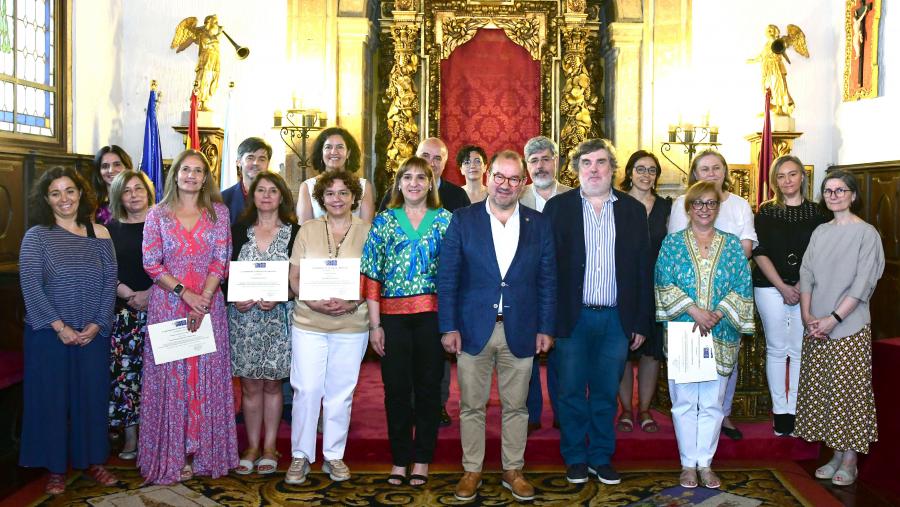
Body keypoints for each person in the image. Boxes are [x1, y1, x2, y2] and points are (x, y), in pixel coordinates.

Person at [439, 150, 556, 502]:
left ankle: (512, 469)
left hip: (521, 328)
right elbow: (448, 277)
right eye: (500, 177)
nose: (505, 185)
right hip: (472, 328)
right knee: (471, 406)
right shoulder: (463, 219)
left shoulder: (539, 223)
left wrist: (546, 328)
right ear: (488, 177)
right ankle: (472, 470)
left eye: (513, 178)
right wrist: (448, 326)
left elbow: (547, 280)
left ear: (523, 183)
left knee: (517, 406)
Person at [543, 139, 652, 486]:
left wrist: (640, 321)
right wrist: (547, 321)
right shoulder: (558, 208)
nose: (594, 169)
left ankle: (601, 457)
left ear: (612, 169)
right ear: (576, 170)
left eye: (601, 162)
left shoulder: (633, 211)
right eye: (586, 163)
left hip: (616, 319)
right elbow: (546, 269)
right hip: (571, 319)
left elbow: (643, 270)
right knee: (571, 392)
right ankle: (575, 457)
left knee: (606, 393)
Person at [139, 149, 238, 484]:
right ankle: (173, 454)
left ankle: (206, 454)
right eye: (185, 170)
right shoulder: (157, 214)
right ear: (175, 174)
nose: (191, 176)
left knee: (206, 375)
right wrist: (186, 294)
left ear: (206, 177)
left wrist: (204, 299)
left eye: (198, 171)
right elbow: (151, 263)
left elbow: (221, 260)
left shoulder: (219, 213)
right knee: (172, 379)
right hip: (169, 305)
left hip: (209, 305)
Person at [19, 166, 118, 495]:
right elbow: (31, 287)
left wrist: (97, 323)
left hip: (93, 334)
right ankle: (56, 468)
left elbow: (109, 283)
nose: (64, 198)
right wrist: (60, 327)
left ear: (80, 193)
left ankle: (94, 460)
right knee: (52, 401)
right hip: (49, 335)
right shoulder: (36, 236)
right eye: (55, 193)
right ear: (46, 199)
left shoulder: (99, 234)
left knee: (92, 398)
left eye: (70, 191)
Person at [655, 180, 755, 490]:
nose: (704, 209)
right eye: (698, 203)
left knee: (713, 403)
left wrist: (719, 313)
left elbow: (743, 285)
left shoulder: (731, 244)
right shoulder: (672, 244)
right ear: (688, 208)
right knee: (684, 401)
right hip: (684, 331)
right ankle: (688, 464)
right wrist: (695, 311)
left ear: (718, 207)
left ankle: (706, 463)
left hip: (721, 333)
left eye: (711, 203)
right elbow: (663, 281)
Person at [363, 157, 453, 487]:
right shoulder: (384, 221)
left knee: (429, 389)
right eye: (407, 177)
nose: (414, 183)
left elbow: (453, 274)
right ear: (398, 183)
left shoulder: (445, 220)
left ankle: (423, 459)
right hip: (392, 320)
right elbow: (371, 276)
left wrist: (451, 324)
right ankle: (400, 459)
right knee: (396, 390)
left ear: (430, 184)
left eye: (421, 177)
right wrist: (375, 326)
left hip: (432, 318)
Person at [795, 170, 884, 487]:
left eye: (840, 190)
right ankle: (835, 455)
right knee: (826, 393)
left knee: (848, 395)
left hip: (849, 326)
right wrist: (807, 315)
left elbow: (862, 284)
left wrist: (833, 319)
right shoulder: (820, 231)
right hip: (816, 325)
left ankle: (850, 461)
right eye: (828, 191)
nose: (834, 196)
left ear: (853, 195)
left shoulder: (867, 234)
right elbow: (806, 274)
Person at [285, 171, 370, 485]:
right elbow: (294, 277)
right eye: (331, 193)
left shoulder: (368, 231)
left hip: (352, 324)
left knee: (340, 393)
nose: (337, 199)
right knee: (306, 389)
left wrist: (352, 301)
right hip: (309, 322)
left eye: (344, 193)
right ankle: (300, 455)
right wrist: (312, 300)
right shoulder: (307, 230)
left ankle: (334, 455)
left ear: (354, 197)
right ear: (321, 198)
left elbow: (373, 279)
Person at [379, 137, 470, 428]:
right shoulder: (389, 206)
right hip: (395, 310)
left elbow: (461, 257)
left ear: (444, 164)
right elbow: (377, 261)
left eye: (436, 158)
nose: (430, 163)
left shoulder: (455, 201)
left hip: (436, 305)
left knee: (433, 371)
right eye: (425, 156)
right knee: (399, 376)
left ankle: (436, 409)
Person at [668, 149, 757, 440]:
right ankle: (691, 427)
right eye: (704, 168)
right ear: (695, 173)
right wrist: (696, 306)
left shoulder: (739, 205)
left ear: (725, 171)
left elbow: (745, 249)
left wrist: (719, 301)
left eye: (716, 168)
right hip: (689, 305)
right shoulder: (681, 203)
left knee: (724, 365)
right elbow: (675, 251)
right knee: (689, 371)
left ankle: (722, 414)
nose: (711, 173)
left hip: (726, 295)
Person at [229, 172, 300, 475]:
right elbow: (224, 273)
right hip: (244, 321)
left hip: (279, 320)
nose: (267, 196)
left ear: (282, 196)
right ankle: (252, 446)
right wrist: (234, 298)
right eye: (261, 190)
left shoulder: (295, 233)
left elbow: (300, 279)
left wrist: (283, 294)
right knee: (249, 386)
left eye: (273, 190)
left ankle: (270, 446)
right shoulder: (237, 231)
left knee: (272, 385)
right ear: (252, 195)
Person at [752, 156, 828, 436]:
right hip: (770, 287)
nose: (787, 180)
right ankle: (780, 412)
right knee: (776, 348)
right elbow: (759, 251)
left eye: (792, 174)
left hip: (806, 288)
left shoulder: (818, 212)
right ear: (775, 181)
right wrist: (782, 287)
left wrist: (801, 285)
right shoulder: (766, 211)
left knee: (798, 350)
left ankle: (795, 411)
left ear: (802, 177)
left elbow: (821, 254)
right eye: (781, 176)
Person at [615, 150, 672, 434]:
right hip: (622, 287)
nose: (646, 175)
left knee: (652, 352)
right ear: (629, 172)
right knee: (622, 351)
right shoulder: (616, 204)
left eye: (652, 170)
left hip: (656, 287)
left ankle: (645, 408)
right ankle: (626, 409)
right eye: (640, 169)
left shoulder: (667, 207)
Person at [519, 135, 572, 433]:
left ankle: (563, 412)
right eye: (534, 160)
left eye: (545, 159)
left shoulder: (575, 197)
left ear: (556, 162)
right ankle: (530, 414)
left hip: (563, 290)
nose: (540, 166)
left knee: (562, 356)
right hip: (525, 290)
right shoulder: (515, 196)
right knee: (525, 354)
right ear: (527, 166)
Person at [107, 170, 156, 461]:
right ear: (118, 196)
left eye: (139, 188)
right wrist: (128, 294)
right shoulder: (109, 229)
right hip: (124, 313)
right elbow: (104, 269)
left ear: (148, 192)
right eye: (127, 190)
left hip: (161, 307)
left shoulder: (162, 223)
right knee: (126, 377)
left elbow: (175, 263)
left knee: (156, 375)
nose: (134, 195)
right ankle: (130, 435)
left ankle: (157, 434)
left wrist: (151, 293)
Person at [296, 126, 375, 223]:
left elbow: (367, 228)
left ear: (348, 153)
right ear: (321, 152)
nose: (334, 152)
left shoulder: (364, 186)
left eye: (340, 147)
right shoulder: (307, 187)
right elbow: (304, 228)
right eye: (328, 147)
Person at [221, 136, 273, 224]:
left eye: (262, 159)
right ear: (238, 162)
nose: (256, 163)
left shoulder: (280, 197)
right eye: (250, 158)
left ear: (268, 164)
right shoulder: (224, 198)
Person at [91, 145, 134, 224]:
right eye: (105, 166)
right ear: (99, 171)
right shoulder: (91, 203)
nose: (111, 170)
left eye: (117, 164)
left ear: (127, 167)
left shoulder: (136, 199)